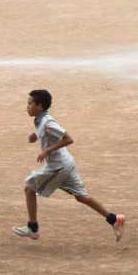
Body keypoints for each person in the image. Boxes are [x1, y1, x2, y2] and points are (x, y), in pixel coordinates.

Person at [13, 89, 125, 244]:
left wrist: (47, 150)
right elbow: (44, 132)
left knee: (29, 188)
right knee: (82, 197)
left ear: (39, 106)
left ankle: (33, 228)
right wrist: (35, 135)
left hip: (58, 167)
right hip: (67, 163)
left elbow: (68, 139)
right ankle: (114, 219)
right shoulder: (40, 120)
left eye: (30, 103)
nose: (27, 106)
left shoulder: (47, 122)